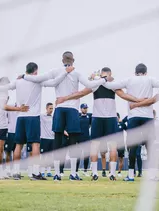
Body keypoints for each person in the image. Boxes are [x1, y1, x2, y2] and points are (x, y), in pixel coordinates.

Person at [23, 52, 109, 181]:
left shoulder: (56, 71)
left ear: (62, 59)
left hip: (60, 109)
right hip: (72, 109)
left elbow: (38, 78)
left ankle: (57, 174)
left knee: (57, 141)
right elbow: (90, 85)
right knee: (73, 142)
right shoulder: (76, 72)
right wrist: (104, 79)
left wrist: (24, 76)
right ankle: (73, 174)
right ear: (73, 60)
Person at [103, 63, 159, 182]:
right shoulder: (150, 79)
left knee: (132, 147)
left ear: (135, 72)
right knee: (150, 147)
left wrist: (100, 79)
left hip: (133, 116)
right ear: (146, 72)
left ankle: (131, 175)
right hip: (148, 117)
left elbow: (110, 85)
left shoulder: (129, 79)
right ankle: (152, 175)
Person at [55, 67, 142, 181]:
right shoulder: (110, 84)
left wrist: (65, 98)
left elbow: (80, 93)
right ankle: (111, 174)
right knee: (111, 146)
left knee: (97, 147)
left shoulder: (100, 84)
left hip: (100, 118)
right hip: (109, 118)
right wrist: (140, 100)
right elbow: (124, 96)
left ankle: (96, 173)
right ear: (108, 75)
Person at [0, 62, 74, 180]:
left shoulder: (18, 81)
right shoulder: (37, 80)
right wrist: (65, 72)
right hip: (33, 117)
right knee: (35, 144)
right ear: (36, 71)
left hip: (20, 117)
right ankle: (35, 173)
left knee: (18, 145)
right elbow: (54, 82)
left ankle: (16, 173)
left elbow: (6, 87)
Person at [76, 103, 92, 177]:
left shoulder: (89, 116)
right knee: (78, 156)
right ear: (81, 109)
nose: (85, 109)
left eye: (86, 108)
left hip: (87, 139)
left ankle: (85, 170)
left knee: (86, 155)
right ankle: (75, 171)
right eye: (84, 108)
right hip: (79, 139)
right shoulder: (77, 116)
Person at [40, 103, 55, 177]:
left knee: (50, 156)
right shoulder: (42, 116)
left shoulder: (53, 117)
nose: (51, 110)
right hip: (44, 138)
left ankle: (49, 172)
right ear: (46, 108)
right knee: (43, 156)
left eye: (52, 108)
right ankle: (42, 171)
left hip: (52, 139)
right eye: (50, 108)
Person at [5, 102, 18, 177]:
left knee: (16, 152)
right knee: (8, 152)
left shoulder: (22, 108)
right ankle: (7, 170)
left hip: (17, 132)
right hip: (10, 132)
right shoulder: (9, 107)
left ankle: (15, 170)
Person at [116, 113, 127, 177]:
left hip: (121, 143)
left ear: (119, 117)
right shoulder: (111, 124)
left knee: (121, 158)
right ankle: (111, 172)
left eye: (117, 117)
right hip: (113, 143)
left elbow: (128, 130)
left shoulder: (122, 124)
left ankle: (119, 172)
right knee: (112, 157)